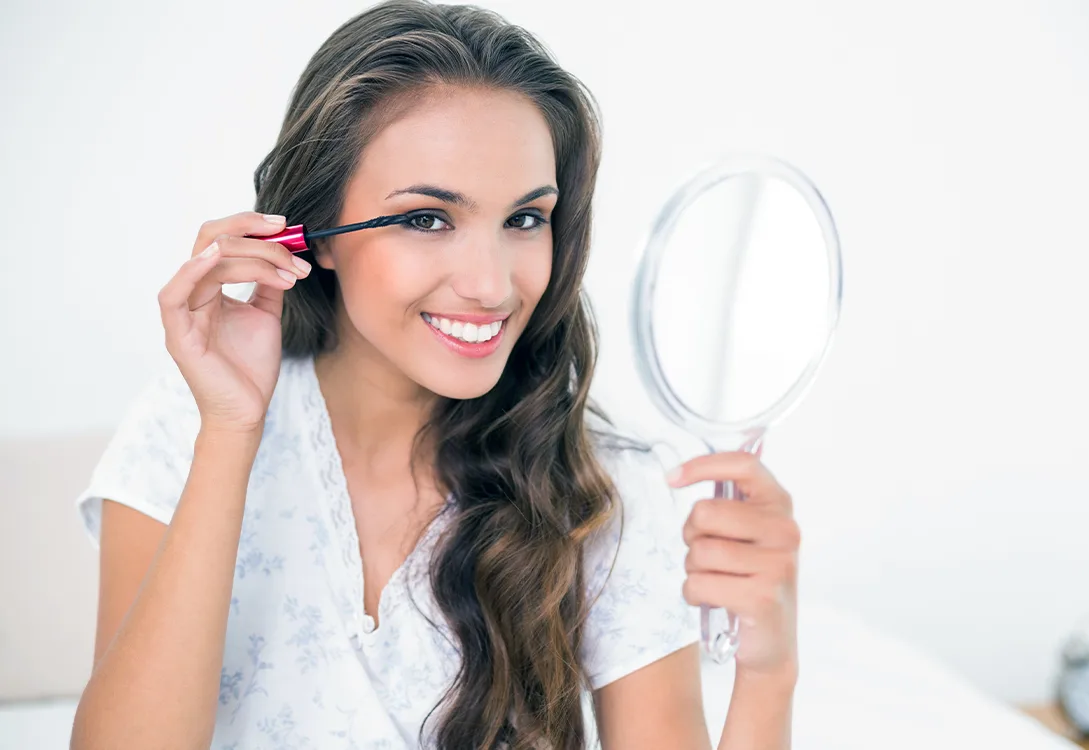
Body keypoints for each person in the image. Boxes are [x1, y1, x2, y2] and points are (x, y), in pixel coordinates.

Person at [69, 1, 801, 748]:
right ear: (312, 235)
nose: (490, 284)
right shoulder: (189, 423)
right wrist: (230, 430)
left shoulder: (601, 493)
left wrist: (769, 672)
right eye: (426, 219)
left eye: (524, 219)